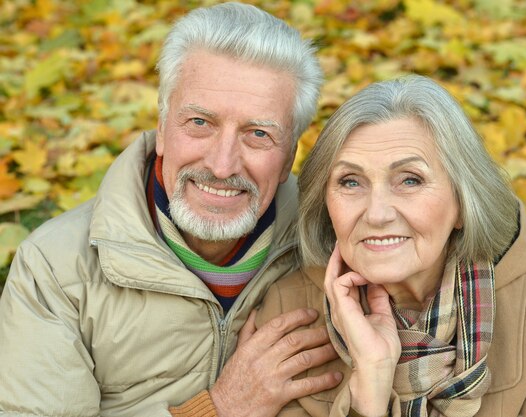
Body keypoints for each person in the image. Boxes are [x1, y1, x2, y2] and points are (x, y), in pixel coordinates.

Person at [0, 3, 344, 416]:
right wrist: (221, 407)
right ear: (162, 128)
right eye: (200, 123)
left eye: (258, 133)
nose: (222, 165)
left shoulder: (331, 250)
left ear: (289, 154)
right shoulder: (56, 269)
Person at [255, 75, 526, 416]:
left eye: (410, 180)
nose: (376, 213)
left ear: (463, 203)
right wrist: (370, 387)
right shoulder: (290, 310)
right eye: (351, 181)